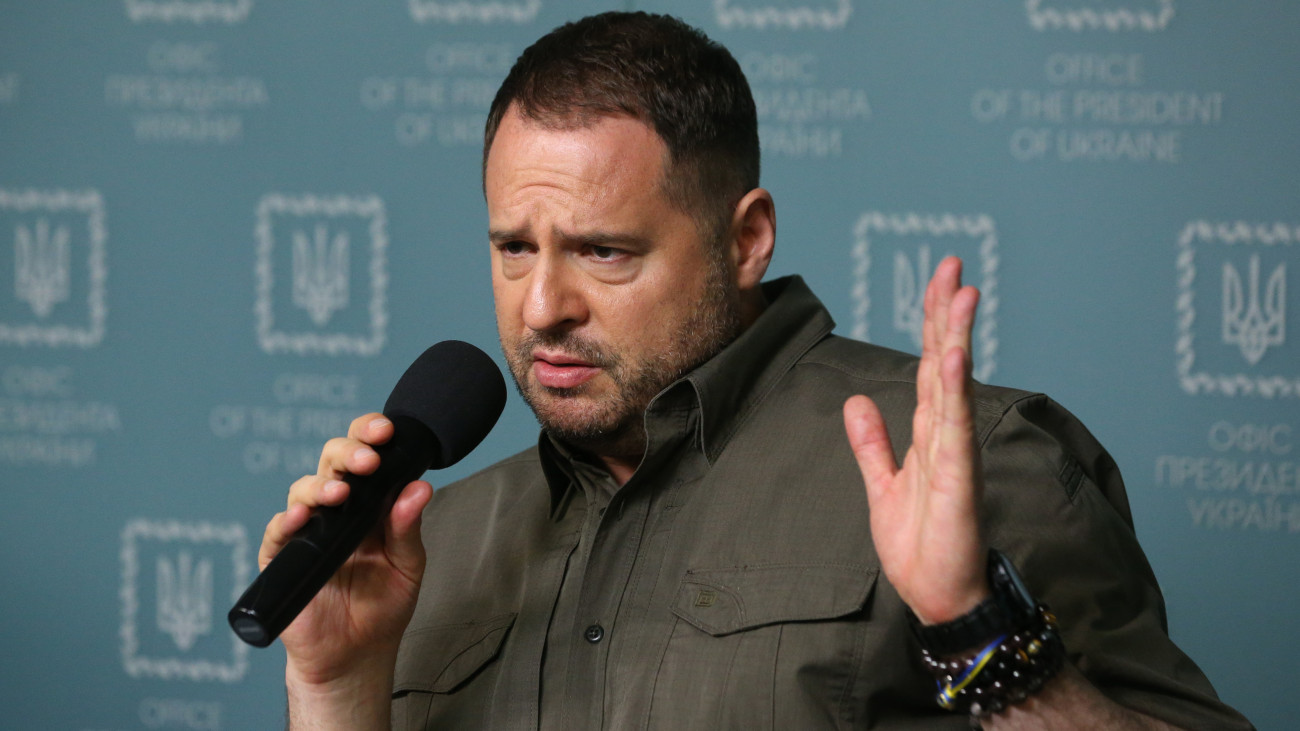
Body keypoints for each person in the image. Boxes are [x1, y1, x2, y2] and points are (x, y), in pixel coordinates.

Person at [259, 12, 1252, 730]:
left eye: (604, 250)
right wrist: (337, 688)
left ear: (746, 239)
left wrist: (975, 628)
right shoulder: (432, 542)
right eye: (514, 246)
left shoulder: (961, 463)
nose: (540, 305)